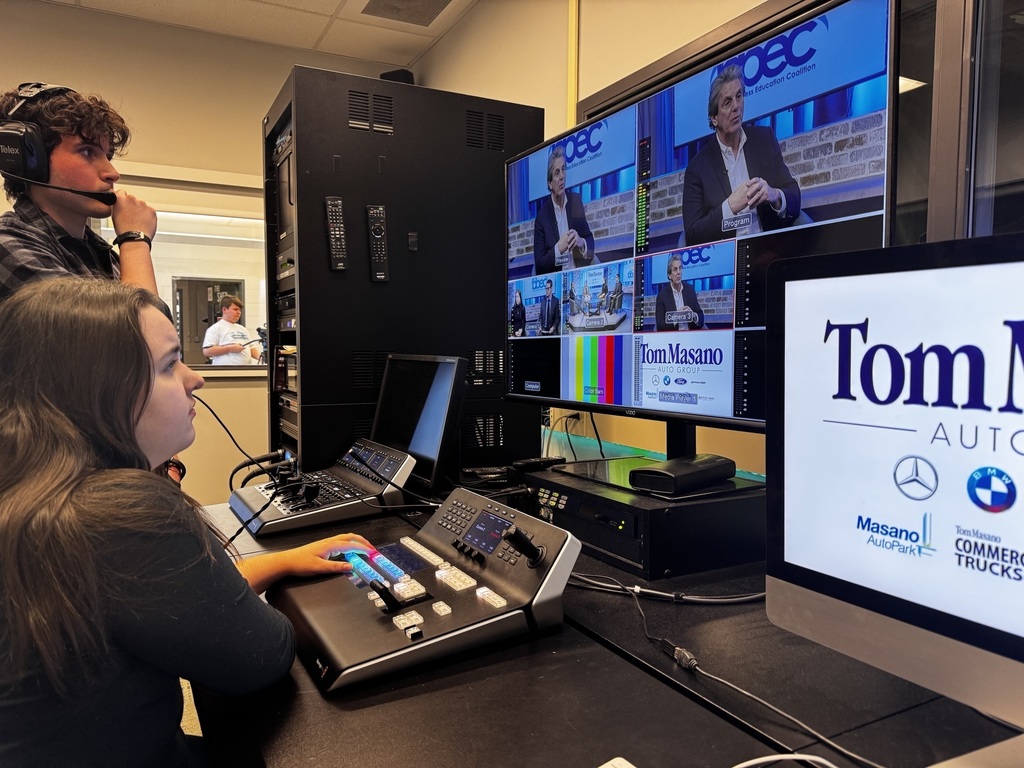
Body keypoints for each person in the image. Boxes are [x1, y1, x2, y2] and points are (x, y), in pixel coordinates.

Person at [0, 277, 375, 767]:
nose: (194, 378)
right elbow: (259, 655)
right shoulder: (114, 515)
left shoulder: (33, 495)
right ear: (95, 393)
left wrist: (280, 563)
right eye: (167, 364)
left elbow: (152, 599)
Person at [0, 82, 159, 301]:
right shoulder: (7, 246)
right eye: (87, 152)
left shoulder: (103, 255)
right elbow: (141, 332)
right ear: (32, 160)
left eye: (108, 156)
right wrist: (135, 241)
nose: (112, 173)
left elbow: (162, 334)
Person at [682, 65, 801, 247]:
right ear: (714, 118)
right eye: (727, 102)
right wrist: (729, 207)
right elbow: (692, 234)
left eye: (739, 96)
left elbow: (794, 196)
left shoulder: (765, 140)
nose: (736, 106)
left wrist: (775, 195)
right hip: (729, 262)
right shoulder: (697, 168)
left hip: (771, 252)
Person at [532, 145, 595, 274]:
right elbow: (539, 266)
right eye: (556, 173)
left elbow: (590, 244)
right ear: (550, 183)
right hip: (558, 282)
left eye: (563, 169)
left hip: (579, 276)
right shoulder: (541, 218)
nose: (562, 176)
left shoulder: (575, 202)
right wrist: (558, 249)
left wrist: (581, 242)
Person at [203, 294, 260, 364]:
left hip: (245, 371)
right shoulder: (215, 328)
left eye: (240, 310)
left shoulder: (243, 329)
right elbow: (207, 351)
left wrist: (263, 359)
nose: (239, 312)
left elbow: (252, 348)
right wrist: (231, 348)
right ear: (224, 310)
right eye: (235, 309)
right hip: (226, 372)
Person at [655, 253, 705, 331]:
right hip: (673, 339)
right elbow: (660, 326)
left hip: (690, 336)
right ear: (669, 275)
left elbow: (701, 317)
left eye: (680, 268)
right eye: (675, 269)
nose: (679, 272)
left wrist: (693, 315)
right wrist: (677, 317)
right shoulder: (662, 296)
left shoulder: (690, 290)